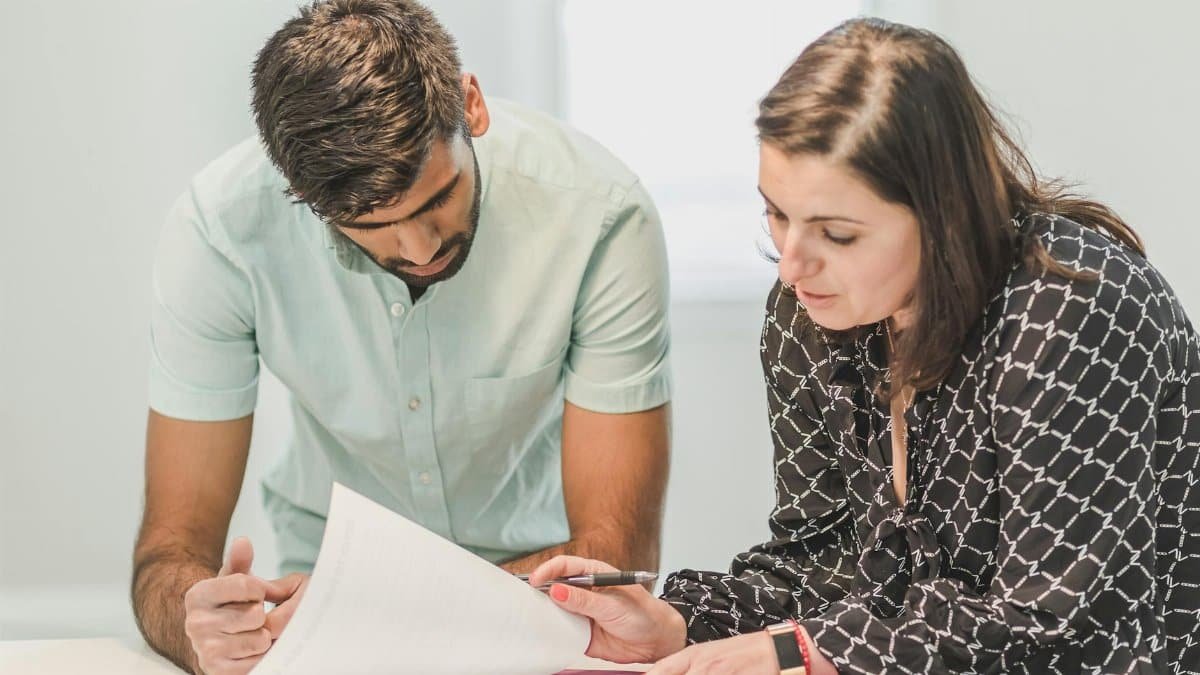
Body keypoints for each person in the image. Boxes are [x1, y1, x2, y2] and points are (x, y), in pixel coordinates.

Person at [530, 17, 1200, 675]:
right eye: (776, 212)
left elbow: (1045, 620)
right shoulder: (808, 316)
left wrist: (801, 649)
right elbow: (823, 560)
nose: (792, 264)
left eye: (838, 234)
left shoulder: (1071, 311)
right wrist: (678, 623)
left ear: (943, 214)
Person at [130, 1, 672, 672]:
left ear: (470, 106)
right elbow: (167, 555)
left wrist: (379, 611)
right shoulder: (221, 231)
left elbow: (615, 560)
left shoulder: (601, 215)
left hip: (543, 609)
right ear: (299, 193)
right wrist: (197, 624)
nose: (420, 248)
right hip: (322, 607)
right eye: (372, 224)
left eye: (435, 197)